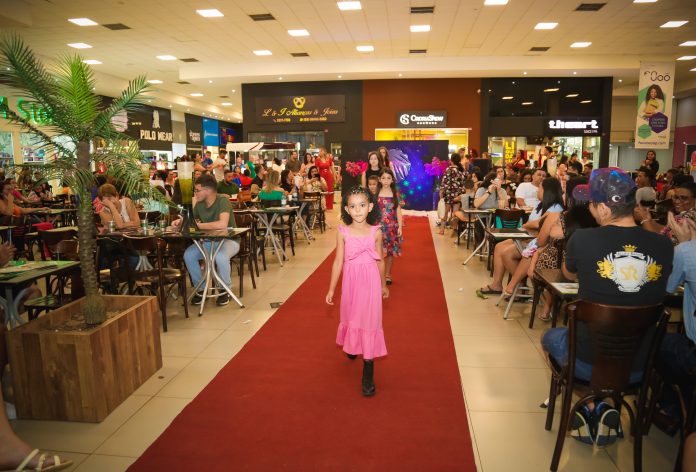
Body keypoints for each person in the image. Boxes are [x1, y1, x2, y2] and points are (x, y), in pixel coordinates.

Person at [542, 167, 673, 446]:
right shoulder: (664, 245)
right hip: (639, 363)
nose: (589, 208)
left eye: (591, 203)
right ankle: (603, 405)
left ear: (603, 208)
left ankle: (590, 404)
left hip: (587, 358)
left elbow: (568, 276)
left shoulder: (583, 239)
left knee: (550, 338)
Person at [325, 186, 388, 397]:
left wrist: (383, 285)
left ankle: (368, 370)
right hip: (351, 283)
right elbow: (338, 262)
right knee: (352, 316)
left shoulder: (376, 232)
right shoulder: (343, 232)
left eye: (362, 205)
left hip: (371, 283)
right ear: (346, 209)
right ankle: (352, 345)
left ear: (370, 206)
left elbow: (380, 261)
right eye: (353, 206)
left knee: (370, 320)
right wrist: (331, 288)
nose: (358, 210)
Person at [479, 178, 564, 296]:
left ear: (547, 191)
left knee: (506, 253)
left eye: (540, 188)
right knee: (498, 247)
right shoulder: (541, 205)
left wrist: (526, 226)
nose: (537, 191)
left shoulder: (555, 208)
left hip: (537, 241)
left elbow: (537, 224)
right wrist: (527, 227)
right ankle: (497, 284)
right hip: (529, 236)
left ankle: (519, 284)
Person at [173, 173, 239, 306]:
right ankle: (200, 289)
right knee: (189, 255)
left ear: (208, 190)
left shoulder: (223, 201)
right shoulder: (200, 204)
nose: (195, 193)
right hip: (209, 241)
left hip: (229, 241)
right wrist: (180, 222)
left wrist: (195, 226)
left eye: (197, 190)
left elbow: (222, 224)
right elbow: (190, 220)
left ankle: (224, 289)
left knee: (220, 257)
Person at [376, 169, 402, 285]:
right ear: (379, 179)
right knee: (378, 251)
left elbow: (398, 211)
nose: (386, 181)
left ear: (392, 180)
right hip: (378, 228)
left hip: (392, 228)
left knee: (390, 252)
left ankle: (387, 274)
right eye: (383, 178)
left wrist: (400, 227)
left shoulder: (395, 194)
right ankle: (378, 274)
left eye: (388, 178)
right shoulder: (375, 194)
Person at [439, 153, 466, 234]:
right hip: (458, 195)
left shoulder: (448, 169)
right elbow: (464, 182)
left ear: (451, 160)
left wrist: (441, 193)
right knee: (455, 214)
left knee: (445, 212)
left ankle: (442, 230)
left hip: (448, 194)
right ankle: (454, 230)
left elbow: (444, 182)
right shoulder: (461, 170)